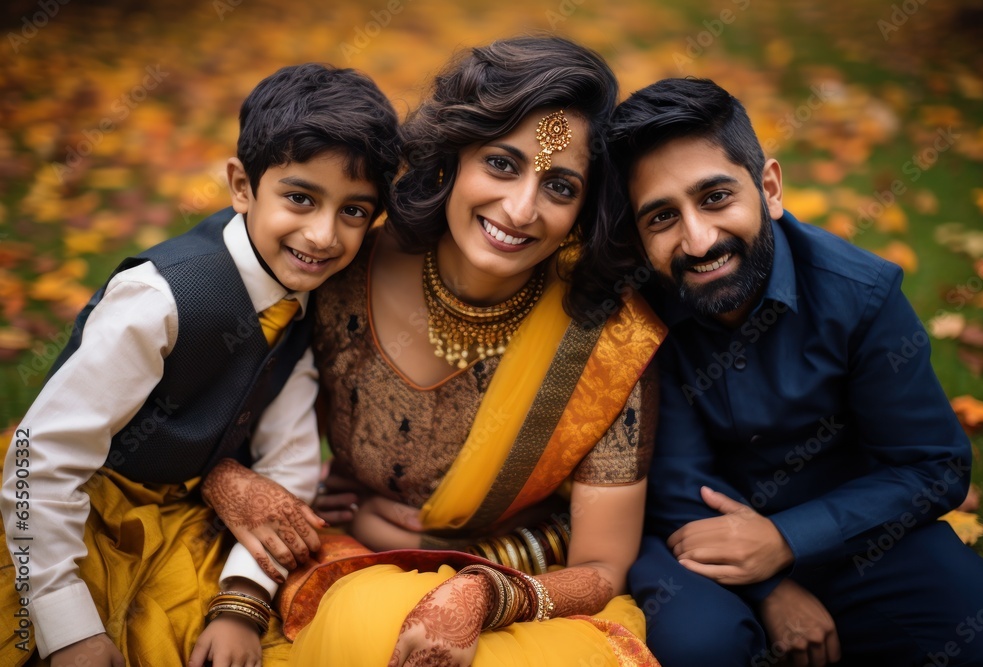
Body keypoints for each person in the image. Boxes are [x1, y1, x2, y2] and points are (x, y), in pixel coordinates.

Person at [203, 36, 667, 666]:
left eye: (559, 186)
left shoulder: (605, 339)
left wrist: (478, 587)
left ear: (585, 209)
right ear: (452, 158)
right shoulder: (341, 259)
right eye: (501, 164)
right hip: (343, 556)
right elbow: (198, 392)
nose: (520, 208)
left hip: (523, 593)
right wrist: (226, 478)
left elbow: (601, 566)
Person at [0, 63, 400, 667]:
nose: (322, 235)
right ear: (242, 186)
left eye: (353, 212)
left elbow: (288, 462)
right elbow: (41, 459)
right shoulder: (160, 299)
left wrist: (240, 601)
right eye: (299, 198)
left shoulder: (306, 300)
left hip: (192, 525)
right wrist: (68, 626)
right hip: (77, 521)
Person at [611, 77, 983, 666]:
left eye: (715, 197)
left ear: (768, 188)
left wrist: (787, 541)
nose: (698, 239)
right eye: (662, 217)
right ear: (639, 238)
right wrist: (771, 589)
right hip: (692, 540)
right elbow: (674, 483)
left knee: (982, 629)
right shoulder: (641, 312)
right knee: (700, 646)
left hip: (858, 530)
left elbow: (932, 464)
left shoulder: (862, 296)